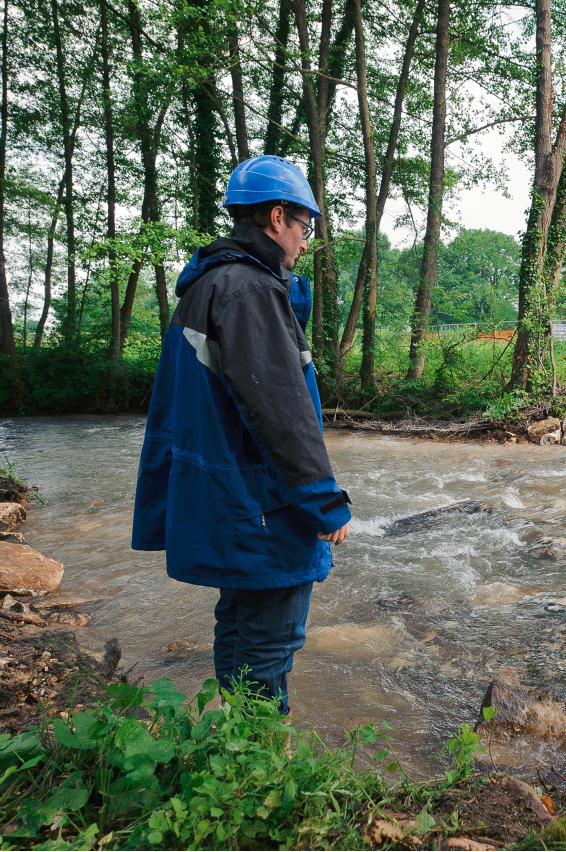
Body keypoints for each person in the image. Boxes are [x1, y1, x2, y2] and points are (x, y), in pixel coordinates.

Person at [132, 155, 352, 715]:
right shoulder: (249, 292)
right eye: (306, 226)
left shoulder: (208, 285)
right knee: (268, 646)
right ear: (277, 218)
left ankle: (233, 761)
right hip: (262, 507)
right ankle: (257, 772)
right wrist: (325, 505)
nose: (306, 242)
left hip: (229, 501)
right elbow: (281, 414)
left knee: (237, 630)